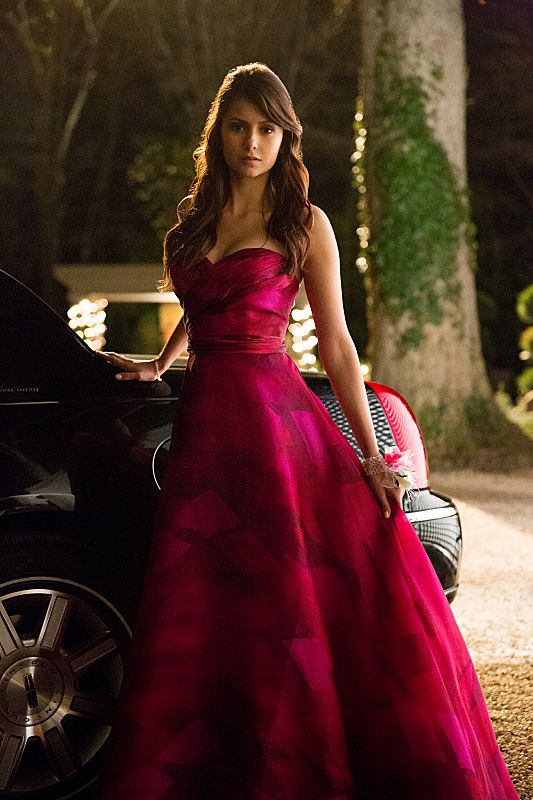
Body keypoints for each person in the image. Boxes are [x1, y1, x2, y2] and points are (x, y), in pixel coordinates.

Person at [97, 63, 518, 799]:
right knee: (207, 600)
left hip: (274, 425)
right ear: (218, 132)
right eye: (238, 126)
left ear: (285, 135)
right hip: (208, 431)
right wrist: (158, 362)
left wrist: (370, 453)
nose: (251, 142)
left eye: (266, 128)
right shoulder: (191, 225)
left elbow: (336, 347)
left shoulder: (302, 223)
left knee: (280, 597)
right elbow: (200, 314)